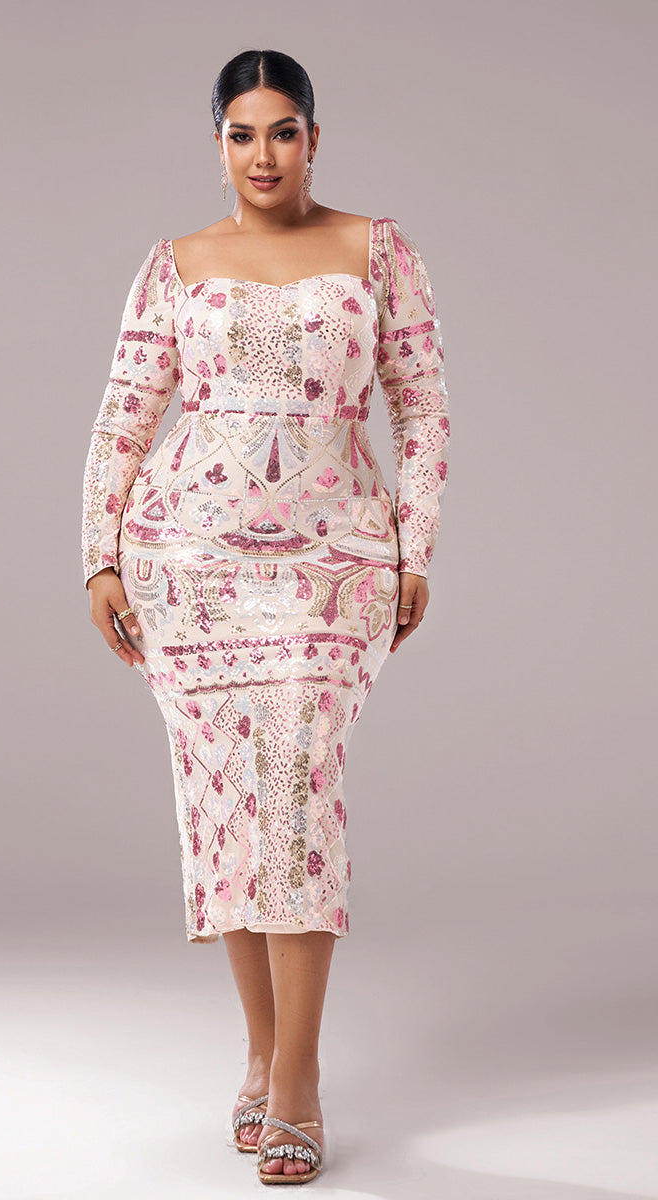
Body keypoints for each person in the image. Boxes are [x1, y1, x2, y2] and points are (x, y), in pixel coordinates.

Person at [81, 48, 450, 1185]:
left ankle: (298, 1079)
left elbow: (422, 404)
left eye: (283, 131)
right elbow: (125, 415)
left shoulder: (375, 249)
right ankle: (258, 1051)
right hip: (187, 565)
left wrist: (415, 545)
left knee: (293, 792)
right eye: (242, 134)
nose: (263, 155)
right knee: (227, 808)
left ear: (314, 139)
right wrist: (99, 556)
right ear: (218, 144)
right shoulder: (177, 265)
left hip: (334, 564)